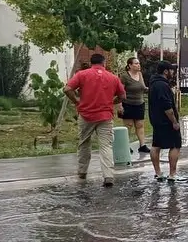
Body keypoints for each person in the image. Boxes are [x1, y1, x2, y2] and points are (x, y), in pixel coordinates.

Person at [63, 53, 126, 187]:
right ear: (104, 63)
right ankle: (108, 176)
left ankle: (82, 171)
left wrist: (76, 101)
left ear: (91, 63)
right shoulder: (113, 77)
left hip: (86, 115)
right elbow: (122, 95)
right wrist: (113, 101)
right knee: (106, 146)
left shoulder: (82, 75)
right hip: (105, 117)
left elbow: (67, 89)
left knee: (84, 143)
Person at [148, 61, 187, 182]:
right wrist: (174, 122)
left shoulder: (153, 83)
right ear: (165, 71)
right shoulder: (162, 85)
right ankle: (172, 174)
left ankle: (158, 173)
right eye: (171, 70)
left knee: (156, 145)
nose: (173, 72)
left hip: (156, 119)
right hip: (166, 121)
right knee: (175, 145)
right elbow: (167, 106)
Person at [116, 57, 150, 154]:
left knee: (140, 125)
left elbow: (143, 88)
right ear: (129, 65)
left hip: (139, 103)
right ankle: (126, 145)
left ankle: (142, 145)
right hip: (127, 103)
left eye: (138, 63)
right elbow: (120, 91)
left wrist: (152, 89)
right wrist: (119, 105)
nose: (138, 65)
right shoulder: (124, 76)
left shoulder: (140, 74)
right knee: (128, 125)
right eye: (136, 63)